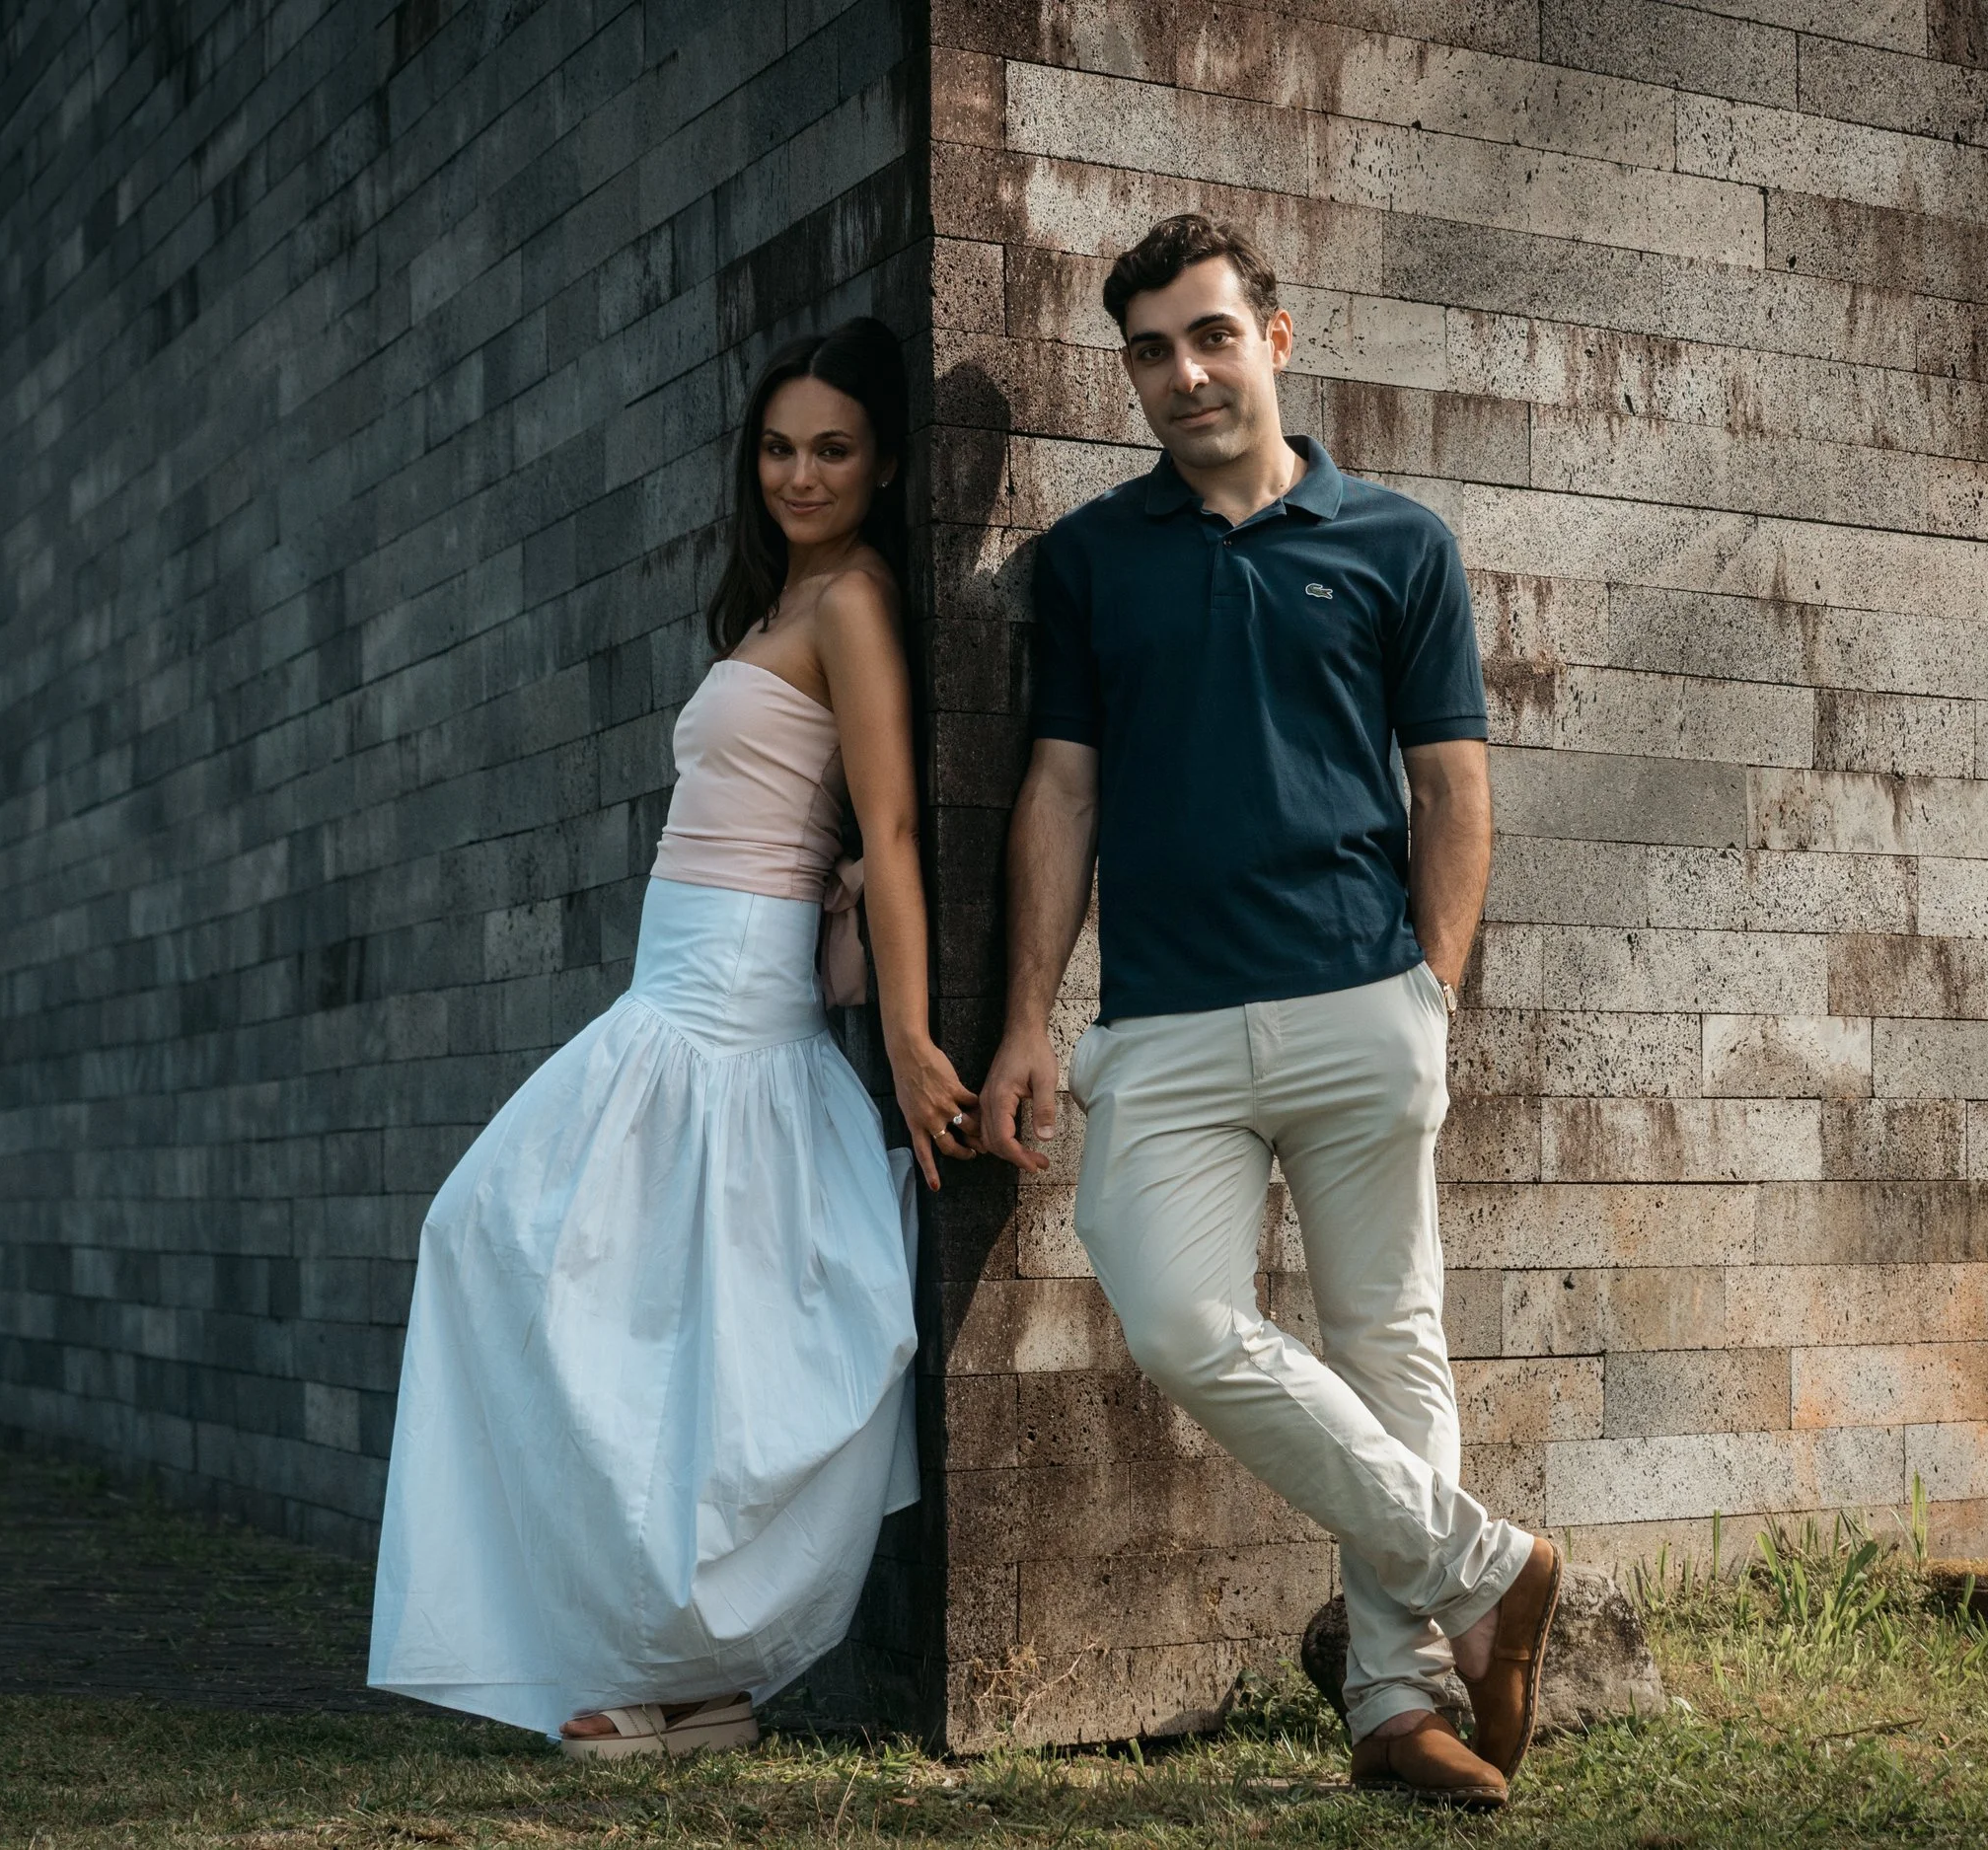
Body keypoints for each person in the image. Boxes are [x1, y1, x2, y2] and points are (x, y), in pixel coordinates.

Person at [977, 215, 1561, 1809]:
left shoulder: (1398, 542)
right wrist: (1029, 1016)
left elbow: (1452, 783)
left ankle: (1394, 1700)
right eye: (1152, 349)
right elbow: (1060, 788)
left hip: (1363, 999)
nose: (1183, 372)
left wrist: (1431, 989)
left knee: (1393, 1342)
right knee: (1173, 1313)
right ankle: (1488, 1566)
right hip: (1164, 1024)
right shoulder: (1092, 560)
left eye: (1211, 335)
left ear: (1277, 338)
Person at [368, 317, 976, 1757]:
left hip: (731, 1014)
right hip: (670, 1000)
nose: (799, 472)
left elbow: (890, 825)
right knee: (544, 1267)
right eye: (778, 446)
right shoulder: (782, 604)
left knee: (670, 1333)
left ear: (883, 464)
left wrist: (899, 1030)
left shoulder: (854, 607)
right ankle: (687, 1682)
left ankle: (670, 1666)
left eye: (832, 448)